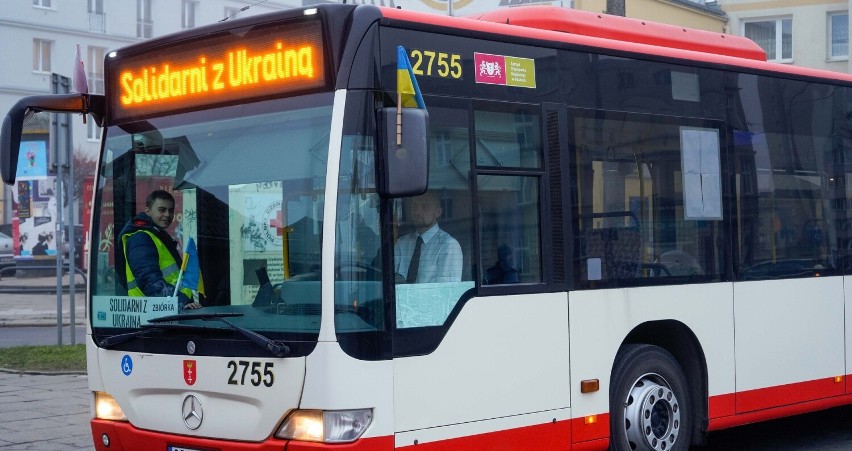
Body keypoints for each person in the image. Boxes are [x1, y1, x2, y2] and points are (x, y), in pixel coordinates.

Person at [119, 190, 201, 309]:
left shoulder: (155, 235)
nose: (167, 214)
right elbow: (150, 281)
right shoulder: (140, 238)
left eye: (171, 210)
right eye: (161, 210)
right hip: (152, 314)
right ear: (148, 211)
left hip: (163, 310)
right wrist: (181, 303)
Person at [394, 191, 463, 283]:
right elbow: (392, 282)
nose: (417, 211)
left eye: (425, 207)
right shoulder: (402, 244)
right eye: (414, 206)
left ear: (438, 212)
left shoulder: (448, 245)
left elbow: (447, 291)